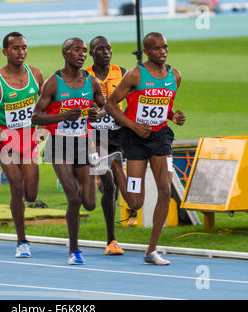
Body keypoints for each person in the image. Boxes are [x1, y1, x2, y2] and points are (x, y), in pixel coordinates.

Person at [105, 32, 186, 265]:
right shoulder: (135, 75)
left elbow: (163, 106)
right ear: (147, 51)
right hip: (134, 139)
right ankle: (115, 165)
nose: (163, 51)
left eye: (165, 47)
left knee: (165, 190)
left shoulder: (175, 76)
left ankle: (151, 251)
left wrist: (173, 116)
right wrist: (133, 125)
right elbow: (111, 105)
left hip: (160, 138)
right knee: (135, 202)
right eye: (157, 48)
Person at [31, 37, 106, 265]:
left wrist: (97, 115)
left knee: (90, 203)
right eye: (77, 50)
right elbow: (35, 117)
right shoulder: (53, 83)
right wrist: (63, 116)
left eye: (84, 51)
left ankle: (87, 180)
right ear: (65, 53)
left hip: (82, 144)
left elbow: (103, 106)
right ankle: (74, 250)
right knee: (73, 197)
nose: (82, 54)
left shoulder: (91, 82)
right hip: (59, 144)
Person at [0, 32, 44, 258]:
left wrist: (46, 126)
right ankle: (22, 241)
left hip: (28, 138)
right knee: (17, 185)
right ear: (5, 51)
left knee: (31, 195)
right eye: (15, 48)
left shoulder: (36, 75)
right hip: (5, 140)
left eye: (24, 47)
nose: (21, 52)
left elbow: (45, 104)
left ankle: (8, 175)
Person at [84, 36, 126, 256]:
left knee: (115, 187)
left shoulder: (123, 72)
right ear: (92, 53)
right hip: (94, 135)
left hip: (118, 135)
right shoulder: (84, 76)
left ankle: (96, 178)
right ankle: (111, 241)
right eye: (100, 49)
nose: (106, 52)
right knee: (109, 185)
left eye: (108, 48)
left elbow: (135, 98)